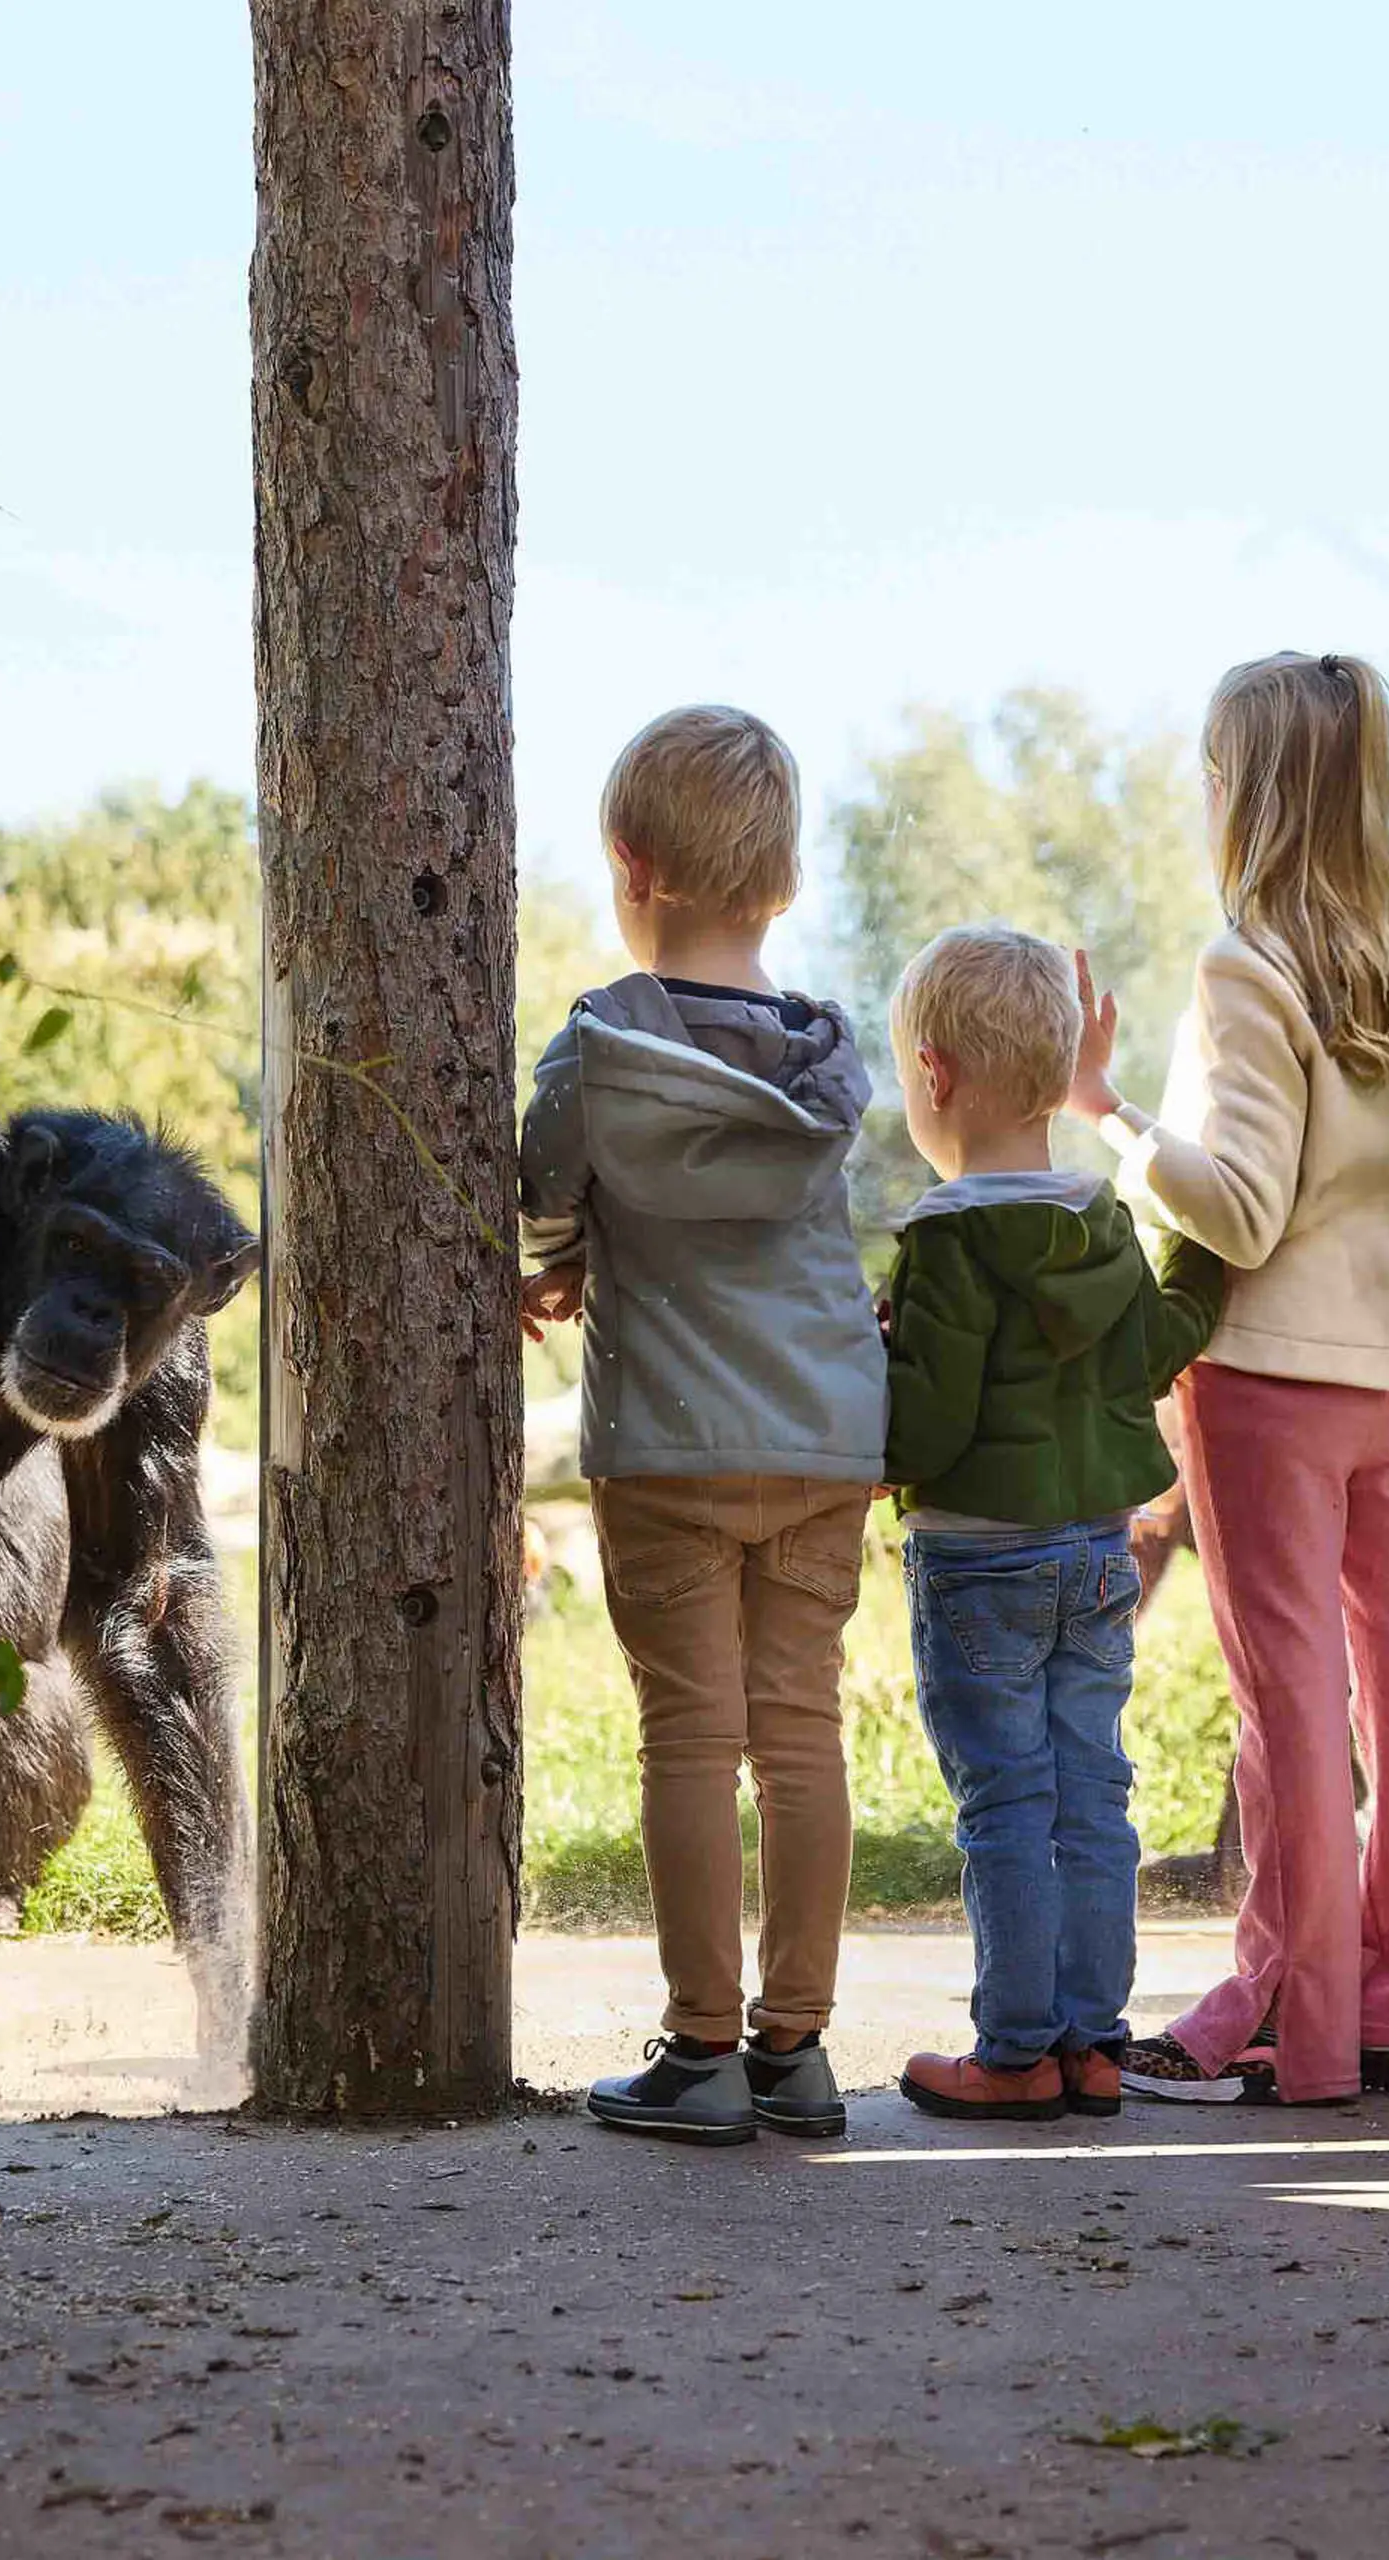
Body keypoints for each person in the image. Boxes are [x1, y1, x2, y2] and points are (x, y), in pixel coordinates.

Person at [1078, 651, 1389, 2107]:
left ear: (1246, 797)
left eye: (1211, 775)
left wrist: (1109, 1112)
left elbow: (1245, 1212)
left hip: (1269, 1382)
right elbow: (1379, 1167)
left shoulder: (1245, 968)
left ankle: (1299, 2029)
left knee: (1294, 1702)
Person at [517, 705, 888, 2145]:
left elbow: (542, 1193)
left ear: (629, 862)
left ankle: (701, 2050)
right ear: (783, 881)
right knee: (800, 1734)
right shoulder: (825, 1068)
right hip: (822, 1441)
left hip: (672, 1442)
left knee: (688, 1737)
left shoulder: (600, 1051)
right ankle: (799, 2049)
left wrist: (565, 1255)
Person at [878, 926, 1225, 2122]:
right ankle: (1093, 2043)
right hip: (1096, 1554)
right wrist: (1206, 1254)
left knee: (1007, 1806)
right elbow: (1159, 1344)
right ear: (1061, 1067)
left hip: (979, 1563)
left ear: (933, 1074)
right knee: (1093, 1798)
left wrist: (867, 1380)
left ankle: (1016, 2050)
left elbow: (926, 1431)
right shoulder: (1105, 1225)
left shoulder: (948, 1238)